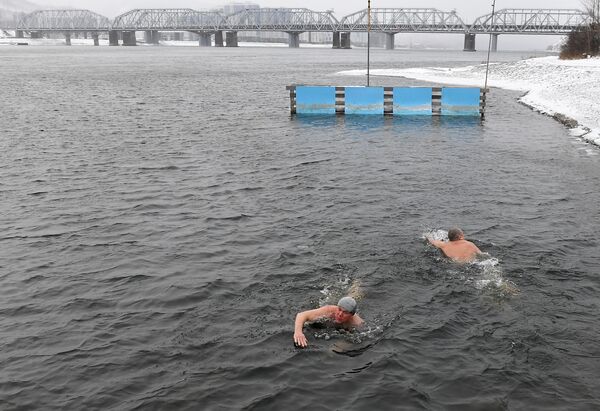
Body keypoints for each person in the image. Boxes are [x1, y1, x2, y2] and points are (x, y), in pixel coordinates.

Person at [293, 296, 363, 348]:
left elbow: (356, 339)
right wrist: (298, 332)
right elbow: (301, 315)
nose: (340, 314)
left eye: (345, 312)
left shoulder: (357, 323)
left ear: (351, 315)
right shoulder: (328, 310)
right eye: (339, 309)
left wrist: (338, 347)